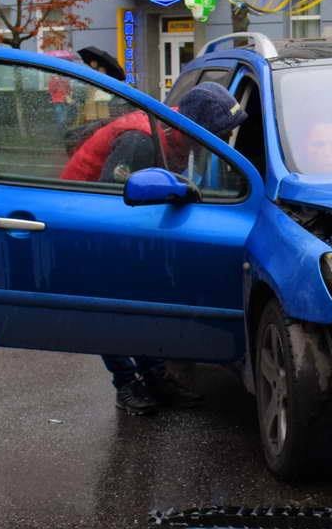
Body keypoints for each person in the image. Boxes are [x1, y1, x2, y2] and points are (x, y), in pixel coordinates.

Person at [60, 82, 248, 414]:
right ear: (197, 129)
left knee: (142, 300)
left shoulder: (178, 130)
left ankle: (155, 376)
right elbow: (111, 200)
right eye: (219, 134)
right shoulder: (140, 142)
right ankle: (127, 384)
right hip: (89, 223)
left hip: (124, 221)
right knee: (114, 306)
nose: (223, 142)